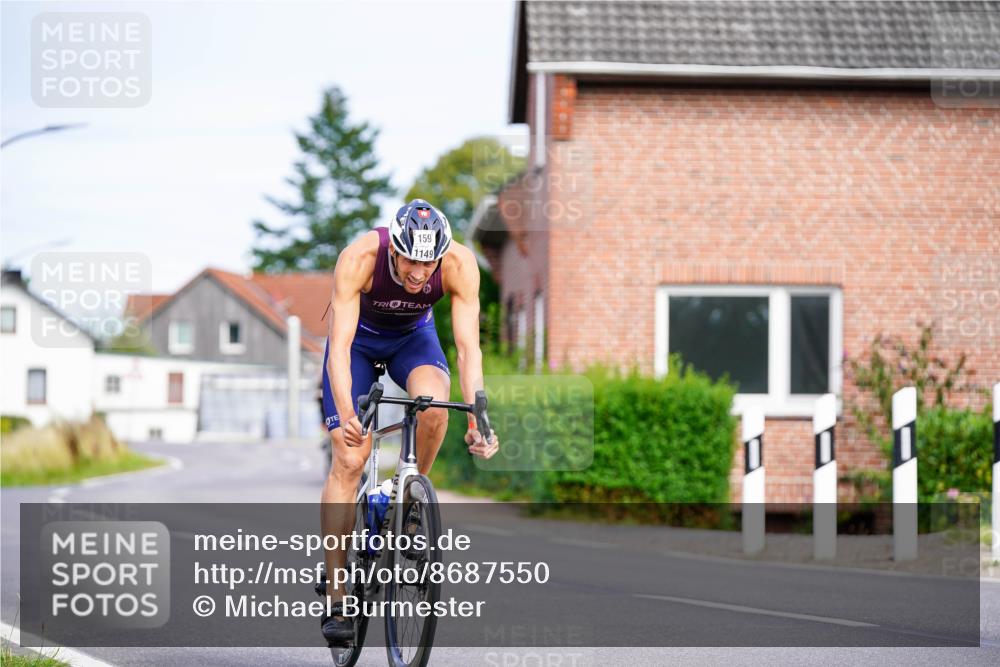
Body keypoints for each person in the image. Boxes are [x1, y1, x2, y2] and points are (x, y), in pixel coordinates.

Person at [319, 198, 499, 646]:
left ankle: (411, 499)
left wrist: (479, 416)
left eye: (427, 264)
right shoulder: (360, 257)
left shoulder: (459, 264)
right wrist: (347, 415)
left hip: (412, 340)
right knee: (350, 458)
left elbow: (468, 349)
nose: (419, 274)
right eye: (410, 262)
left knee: (434, 406)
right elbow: (338, 349)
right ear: (395, 250)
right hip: (357, 345)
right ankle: (337, 593)